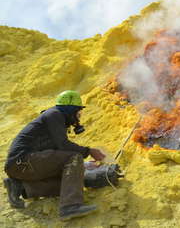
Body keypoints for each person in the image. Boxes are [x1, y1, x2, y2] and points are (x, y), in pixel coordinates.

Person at [3, 90, 106, 221]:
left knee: (70, 184)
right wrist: (89, 151)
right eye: (78, 112)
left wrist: (83, 166)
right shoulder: (55, 114)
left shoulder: (53, 121)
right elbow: (64, 145)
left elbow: (55, 157)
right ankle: (70, 207)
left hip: (21, 166)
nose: (78, 117)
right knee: (74, 157)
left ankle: (21, 187)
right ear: (70, 109)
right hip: (22, 161)